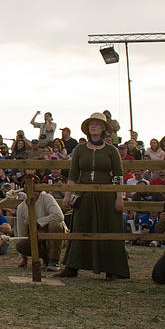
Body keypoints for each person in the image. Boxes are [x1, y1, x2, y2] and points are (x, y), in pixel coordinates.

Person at [56, 112, 128, 279]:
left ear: (103, 128)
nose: (93, 126)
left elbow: (118, 175)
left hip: (106, 195)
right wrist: (68, 195)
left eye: (97, 124)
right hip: (85, 194)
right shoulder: (80, 149)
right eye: (91, 124)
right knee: (80, 227)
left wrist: (119, 197)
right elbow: (73, 174)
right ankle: (72, 267)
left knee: (109, 228)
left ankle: (113, 269)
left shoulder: (112, 151)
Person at [11, 186, 67, 268]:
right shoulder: (21, 208)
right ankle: (46, 257)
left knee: (55, 225)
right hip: (37, 236)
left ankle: (54, 260)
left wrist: (38, 222)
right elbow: (21, 233)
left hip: (55, 234)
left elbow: (59, 216)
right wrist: (23, 258)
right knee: (21, 245)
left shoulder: (47, 198)